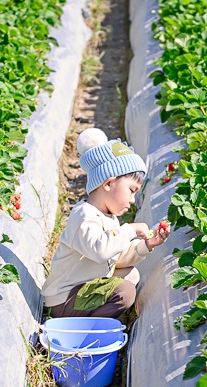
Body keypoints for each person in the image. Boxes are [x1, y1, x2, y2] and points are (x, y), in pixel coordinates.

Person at [41, 128, 171, 320]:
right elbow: (101, 250)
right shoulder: (84, 216)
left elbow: (115, 257)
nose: (133, 200)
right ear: (109, 184)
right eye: (131, 190)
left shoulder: (108, 217)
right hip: (63, 299)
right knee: (124, 292)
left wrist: (147, 245)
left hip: (83, 291)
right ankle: (89, 331)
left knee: (130, 275)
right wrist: (129, 229)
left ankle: (94, 320)